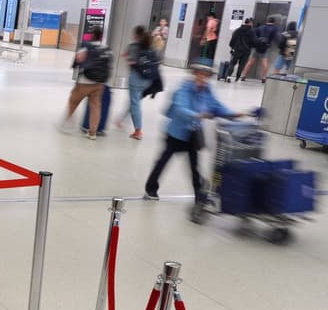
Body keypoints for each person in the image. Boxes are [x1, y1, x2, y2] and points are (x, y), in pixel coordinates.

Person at [144, 61, 248, 221]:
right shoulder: (184, 89)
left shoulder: (207, 90)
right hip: (176, 133)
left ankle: (199, 197)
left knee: (194, 167)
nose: (203, 77)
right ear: (194, 74)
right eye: (200, 74)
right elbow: (180, 107)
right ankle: (151, 188)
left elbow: (216, 106)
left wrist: (234, 114)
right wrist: (197, 115)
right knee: (163, 160)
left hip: (193, 135)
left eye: (206, 75)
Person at [61, 24, 110, 140]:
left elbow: (79, 59)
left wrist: (74, 66)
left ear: (92, 35)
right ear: (101, 36)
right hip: (99, 84)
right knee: (95, 108)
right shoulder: (106, 49)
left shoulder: (86, 47)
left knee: (73, 101)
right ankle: (92, 133)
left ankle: (67, 124)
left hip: (85, 82)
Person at [116, 25, 154, 140]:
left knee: (135, 103)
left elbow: (129, 60)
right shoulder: (149, 47)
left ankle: (138, 131)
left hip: (136, 79)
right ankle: (121, 119)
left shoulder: (133, 46)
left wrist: (128, 59)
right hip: (148, 80)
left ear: (136, 34)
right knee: (135, 101)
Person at [241, 16, 279, 83]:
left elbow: (253, 34)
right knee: (264, 62)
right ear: (274, 22)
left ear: (267, 21)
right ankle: (263, 78)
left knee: (250, 62)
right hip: (265, 48)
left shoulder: (260, 27)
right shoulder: (274, 28)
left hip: (257, 47)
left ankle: (244, 76)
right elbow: (276, 38)